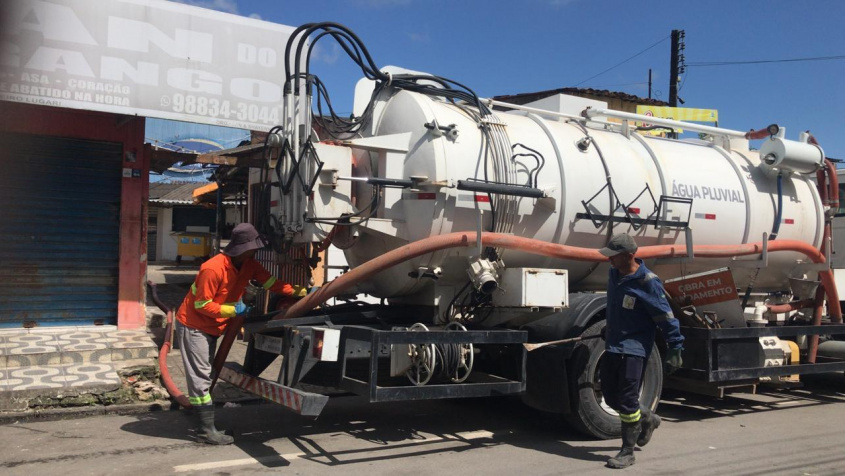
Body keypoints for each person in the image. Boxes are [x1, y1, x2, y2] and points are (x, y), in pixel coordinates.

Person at [175, 223, 306, 445]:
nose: (255, 252)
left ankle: (203, 418)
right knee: (201, 378)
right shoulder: (212, 268)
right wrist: (232, 311)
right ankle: (206, 431)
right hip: (194, 325)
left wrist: (297, 291)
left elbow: (271, 282)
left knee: (205, 374)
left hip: (214, 327)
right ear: (242, 248)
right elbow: (201, 304)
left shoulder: (249, 264)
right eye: (253, 248)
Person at [598, 233, 684, 469]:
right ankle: (648, 417)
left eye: (613, 256)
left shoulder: (648, 282)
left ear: (628, 256)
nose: (609, 260)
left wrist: (675, 346)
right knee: (609, 395)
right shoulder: (614, 274)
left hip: (634, 349)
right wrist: (610, 326)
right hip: (614, 345)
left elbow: (665, 316)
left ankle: (627, 452)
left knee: (626, 401)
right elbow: (617, 306)